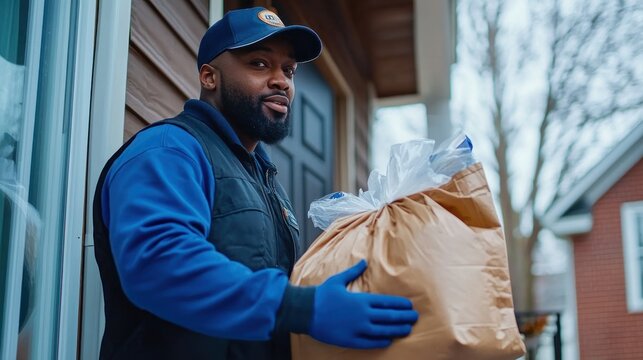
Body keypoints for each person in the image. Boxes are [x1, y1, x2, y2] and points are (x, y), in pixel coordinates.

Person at [93, 7, 418, 360]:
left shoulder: (266, 180)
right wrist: (302, 308)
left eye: (289, 70)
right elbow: (159, 263)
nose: (282, 81)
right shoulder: (170, 150)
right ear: (209, 77)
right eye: (259, 64)